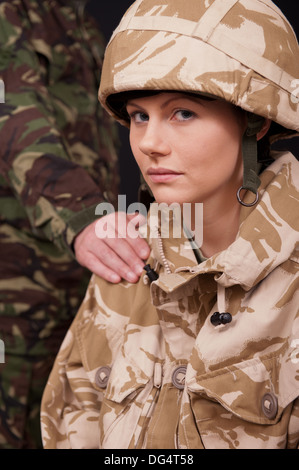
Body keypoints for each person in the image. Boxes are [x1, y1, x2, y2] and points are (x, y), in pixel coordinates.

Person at [41, 0, 299, 449]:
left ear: (253, 122)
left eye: (183, 113)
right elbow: (68, 425)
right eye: (139, 115)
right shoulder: (126, 261)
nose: (149, 143)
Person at [0, 0, 148, 449]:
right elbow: (12, 114)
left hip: (83, 277)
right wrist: (83, 216)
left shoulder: (74, 14)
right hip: (16, 292)